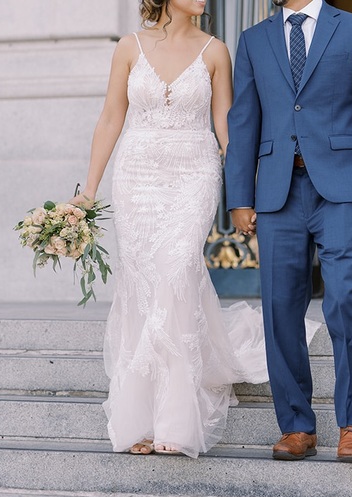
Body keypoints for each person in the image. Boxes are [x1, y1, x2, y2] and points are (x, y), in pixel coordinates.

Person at [69, 0, 292, 458]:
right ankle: (139, 419)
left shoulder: (216, 51)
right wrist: (87, 192)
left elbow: (227, 126)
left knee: (176, 271)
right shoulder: (128, 47)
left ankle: (174, 419)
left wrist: (245, 189)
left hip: (195, 173)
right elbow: (111, 117)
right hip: (137, 176)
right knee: (142, 284)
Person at [225, 0, 352, 463]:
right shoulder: (253, 40)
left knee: (347, 298)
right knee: (280, 306)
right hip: (277, 192)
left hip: (342, 187)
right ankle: (296, 425)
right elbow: (243, 120)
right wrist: (239, 196)